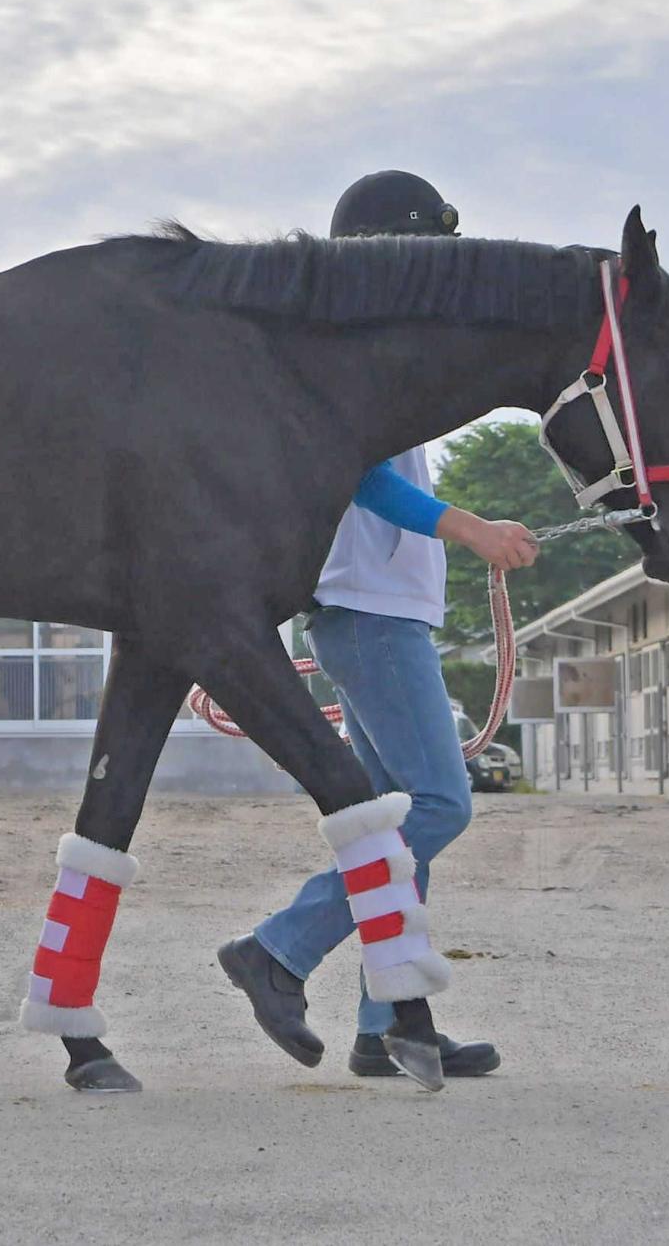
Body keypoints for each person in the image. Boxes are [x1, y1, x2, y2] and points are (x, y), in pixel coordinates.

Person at [218, 170, 538, 1086]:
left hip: (375, 609)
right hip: (367, 608)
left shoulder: (371, 348)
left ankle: (392, 1023)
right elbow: (360, 472)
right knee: (440, 805)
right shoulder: (348, 353)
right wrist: (469, 527)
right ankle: (278, 949)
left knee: (394, 818)